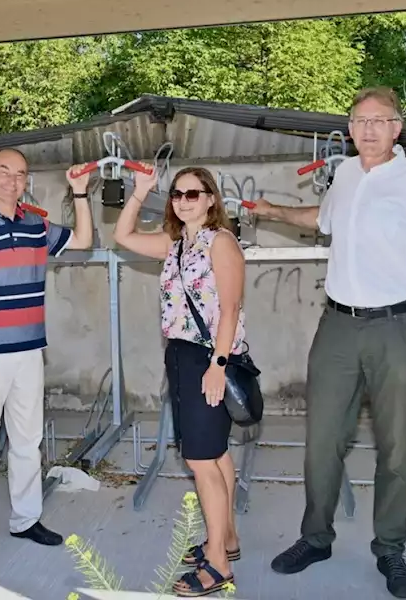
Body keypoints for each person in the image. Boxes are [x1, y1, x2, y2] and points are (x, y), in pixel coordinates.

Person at [249, 87, 406, 599]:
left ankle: (390, 548)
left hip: (400, 328)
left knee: (394, 446)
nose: (367, 130)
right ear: (349, 128)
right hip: (338, 326)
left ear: (397, 128)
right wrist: (270, 209)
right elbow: (320, 219)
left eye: (379, 121)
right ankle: (315, 537)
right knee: (322, 441)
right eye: (359, 121)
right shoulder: (343, 174)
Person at [0, 148, 94, 569]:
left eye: (20, 174)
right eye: (4, 171)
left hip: (28, 352)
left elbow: (82, 241)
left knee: (28, 443)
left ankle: (26, 520)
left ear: (26, 180)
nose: (12, 180)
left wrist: (79, 193)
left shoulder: (35, 224)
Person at [113, 166, 246, 598]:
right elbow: (124, 237)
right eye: (177, 194)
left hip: (209, 359)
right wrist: (140, 192)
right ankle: (225, 538)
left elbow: (230, 309)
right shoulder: (176, 244)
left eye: (194, 193)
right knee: (217, 453)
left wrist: (218, 366)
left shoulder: (220, 242)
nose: (184, 200)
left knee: (202, 461)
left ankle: (218, 567)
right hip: (182, 357)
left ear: (211, 199)